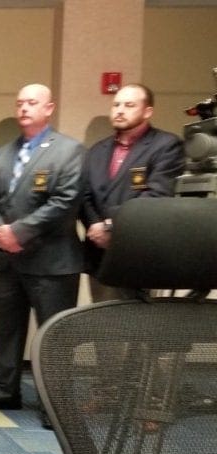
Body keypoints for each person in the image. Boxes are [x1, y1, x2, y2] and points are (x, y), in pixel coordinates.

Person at [0, 84, 84, 422]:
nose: (24, 108)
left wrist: (18, 232)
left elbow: (65, 201)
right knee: (7, 330)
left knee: (53, 336)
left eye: (32, 103)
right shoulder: (2, 154)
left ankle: (55, 405)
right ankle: (6, 391)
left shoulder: (69, 150)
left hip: (51, 262)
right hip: (6, 260)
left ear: (49, 108)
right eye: (19, 103)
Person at [82, 83, 184, 301]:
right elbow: (85, 195)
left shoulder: (166, 145)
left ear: (147, 111)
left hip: (138, 254)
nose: (119, 110)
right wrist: (94, 225)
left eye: (129, 105)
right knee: (103, 326)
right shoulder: (97, 150)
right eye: (116, 104)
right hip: (100, 256)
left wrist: (111, 226)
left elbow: (156, 196)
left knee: (134, 330)